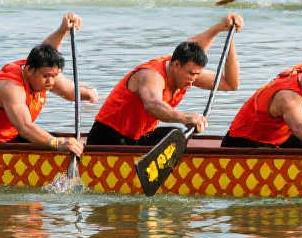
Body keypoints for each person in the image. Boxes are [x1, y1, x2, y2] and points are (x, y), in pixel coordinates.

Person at [0, 14, 97, 154]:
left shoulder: (41, 72)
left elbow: (69, 92)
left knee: (60, 143)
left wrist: (89, 94)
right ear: (30, 70)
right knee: (54, 144)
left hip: (5, 138)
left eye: (54, 76)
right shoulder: (11, 87)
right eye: (47, 76)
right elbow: (25, 127)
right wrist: (58, 143)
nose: (51, 82)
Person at [87, 14, 243, 146]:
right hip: (107, 138)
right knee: (178, 130)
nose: (193, 79)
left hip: (139, 138)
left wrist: (228, 38)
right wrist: (185, 118)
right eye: (190, 73)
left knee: (176, 135)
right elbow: (152, 105)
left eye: (196, 74)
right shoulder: (152, 75)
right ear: (176, 65)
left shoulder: (186, 72)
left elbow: (230, 83)